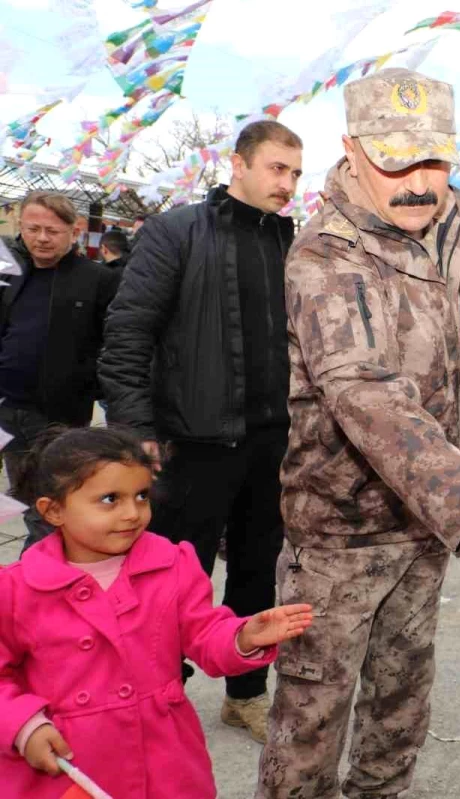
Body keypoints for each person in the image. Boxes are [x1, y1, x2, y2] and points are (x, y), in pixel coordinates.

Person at [255, 68, 460, 799]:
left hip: (425, 527)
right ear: (352, 149)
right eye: (398, 160)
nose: (421, 183)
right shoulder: (326, 254)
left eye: (435, 160)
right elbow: (366, 392)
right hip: (340, 535)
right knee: (312, 719)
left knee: (400, 706)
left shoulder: (458, 234)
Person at [98, 119, 304, 740]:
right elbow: (128, 333)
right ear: (237, 164)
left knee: (257, 570)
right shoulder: (176, 231)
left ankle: (245, 694)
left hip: (274, 444)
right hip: (192, 442)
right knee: (171, 578)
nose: (288, 184)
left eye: (296, 173)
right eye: (277, 168)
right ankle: (158, 697)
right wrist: (135, 426)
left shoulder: (295, 245)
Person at [0, 426, 313, 799]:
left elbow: (202, 633)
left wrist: (242, 637)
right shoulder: (17, 589)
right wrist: (25, 726)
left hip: (162, 755)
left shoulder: (171, 564)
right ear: (53, 511)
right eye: (109, 499)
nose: (132, 513)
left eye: (141, 496)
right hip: (68, 764)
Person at [0, 192, 120, 551]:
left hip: (57, 415)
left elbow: (114, 344)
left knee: (50, 505)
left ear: (75, 231)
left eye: (51, 230)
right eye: (32, 228)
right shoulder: (11, 275)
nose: (40, 238)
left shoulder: (98, 280)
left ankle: (37, 585)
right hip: (8, 409)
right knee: (23, 497)